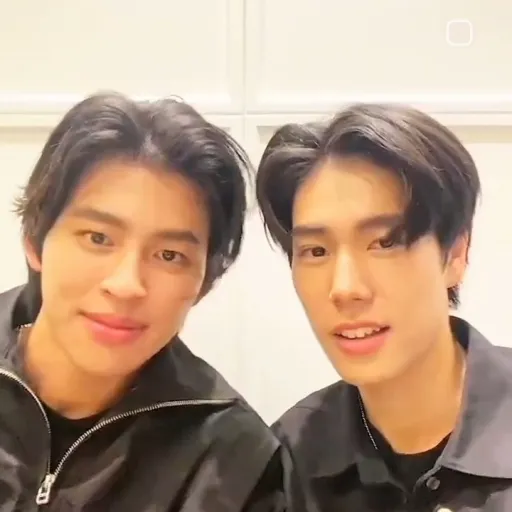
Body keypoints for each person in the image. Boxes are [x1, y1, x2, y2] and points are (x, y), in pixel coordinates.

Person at [1, 91, 287, 511]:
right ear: (34, 239)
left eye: (169, 255)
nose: (127, 284)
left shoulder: (233, 462)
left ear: (204, 282)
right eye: (98, 238)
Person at [256, 103, 512, 511]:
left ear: (455, 254)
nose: (345, 288)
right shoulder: (285, 466)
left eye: (385, 243)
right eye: (316, 251)